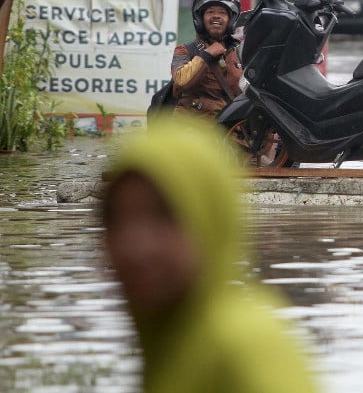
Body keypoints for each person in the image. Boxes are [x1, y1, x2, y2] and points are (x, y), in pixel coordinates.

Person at [102, 116, 321, 393]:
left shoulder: (245, 345)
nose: (135, 246)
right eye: (118, 220)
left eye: (166, 216)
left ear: (211, 219)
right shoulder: (168, 342)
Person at [172, 0, 244, 119]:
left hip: (231, 135)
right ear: (200, 18)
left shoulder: (239, 53)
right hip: (193, 133)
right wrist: (206, 55)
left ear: (231, 19)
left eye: (222, 12)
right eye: (210, 12)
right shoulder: (184, 51)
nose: (216, 16)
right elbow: (181, 82)